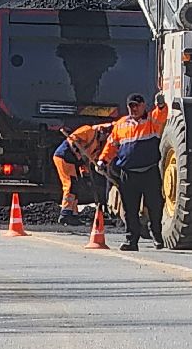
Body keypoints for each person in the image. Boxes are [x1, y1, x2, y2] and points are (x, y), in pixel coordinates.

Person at [96, 92, 169, 251]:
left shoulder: (151, 121)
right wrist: (103, 160)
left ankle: (156, 235)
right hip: (128, 174)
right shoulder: (121, 125)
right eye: (131, 106)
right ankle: (131, 240)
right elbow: (111, 145)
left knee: (155, 206)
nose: (134, 109)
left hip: (149, 172)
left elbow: (161, 115)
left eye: (137, 105)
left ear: (143, 106)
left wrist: (161, 105)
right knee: (130, 209)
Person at [52, 118, 115, 225]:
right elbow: (73, 140)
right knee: (70, 184)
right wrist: (78, 150)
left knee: (77, 186)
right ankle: (65, 213)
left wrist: (85, 172)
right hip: (64, 156)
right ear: (103, 131)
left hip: (74, 161)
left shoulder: (97, 146)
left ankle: (73, 213)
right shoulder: (88, 130)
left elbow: (86, 161)